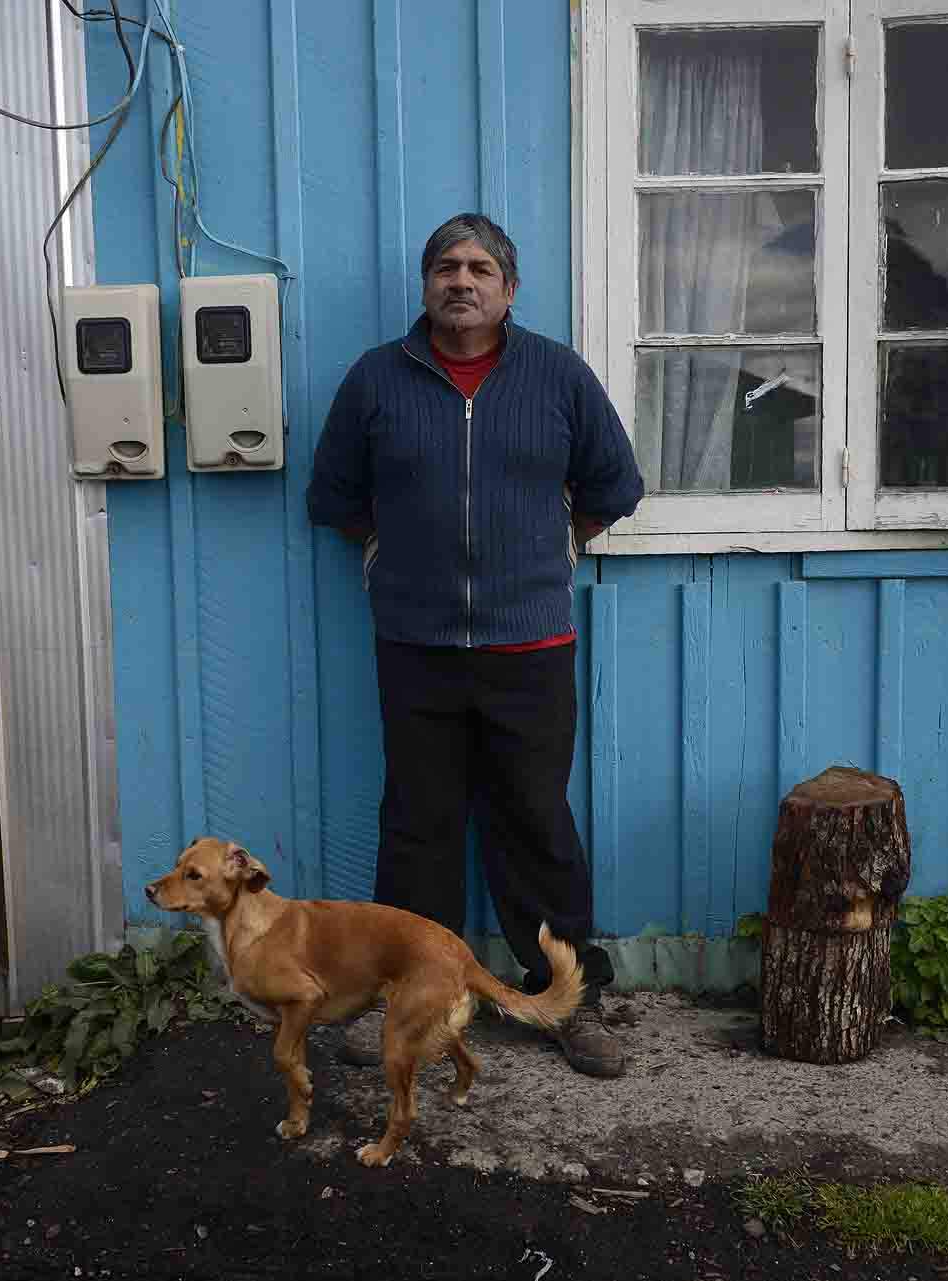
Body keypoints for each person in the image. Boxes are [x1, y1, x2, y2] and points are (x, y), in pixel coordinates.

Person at [305, 212, 645, 1077]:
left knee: (534, 821)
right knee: (418, 827)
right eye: (447, 267)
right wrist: (386, 549)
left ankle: (568, 999)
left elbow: (616, 480)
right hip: (415, 646)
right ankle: (409, 1001)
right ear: (427, 285)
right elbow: (334, 494)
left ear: (509, 288)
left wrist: (564, 544)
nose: (462, 280)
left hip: (528, 644)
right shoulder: (378, 380)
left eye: (480, 267)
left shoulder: (557, 375)